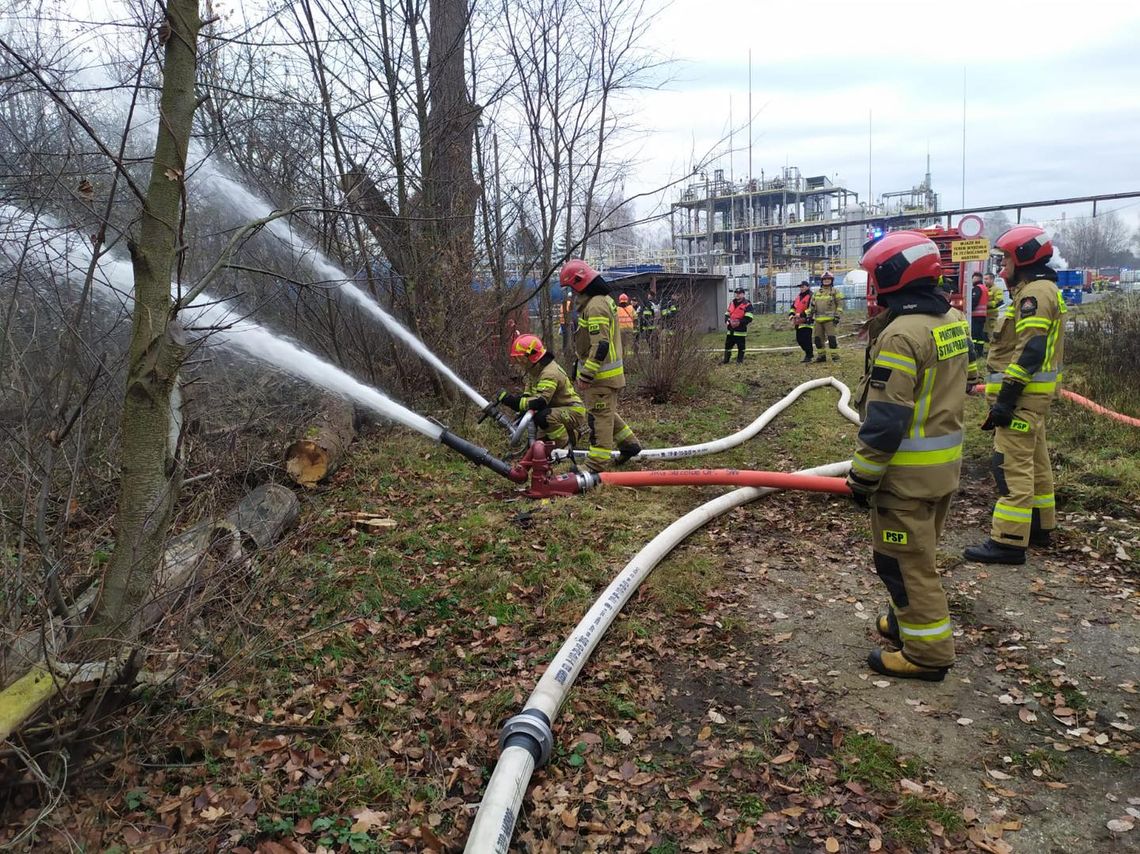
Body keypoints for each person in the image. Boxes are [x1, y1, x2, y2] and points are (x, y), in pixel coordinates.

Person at [847, 231, 975, 681]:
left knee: (902, 565)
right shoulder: (951, 321)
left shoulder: (902, 335)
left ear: (891, 276)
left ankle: (927, 654)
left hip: (903, 480)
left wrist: (862, 478)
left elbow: (885, 421)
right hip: (941, 473)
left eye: (876, 277)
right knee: (919, 554)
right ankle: (906, 624)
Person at [965, 226, 1065, 565]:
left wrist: (1006, 397)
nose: (1001, 266)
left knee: (1010, 466)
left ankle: (1008, 540)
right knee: (1036, 463)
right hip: (1032, 400)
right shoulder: (1040, 289)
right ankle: (1038, 525)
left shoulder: (1033, 295)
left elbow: (1030, 350)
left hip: (1021, 400)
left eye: (1005, 258)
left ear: (1022, 257)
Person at [559, 259, 641, 470]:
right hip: (604, 376)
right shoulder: (600, 301)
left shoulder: (595, 306)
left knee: (599, 416)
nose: (572, 293)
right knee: (605, 412)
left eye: (571, 287)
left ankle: (596, 464)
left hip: (601, 377)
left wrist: (586, 375)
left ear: (579, 282)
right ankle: (629, 444)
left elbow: (601, 345)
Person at [498, 333, 587, 450]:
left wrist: (511, 401)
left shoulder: (549, 372)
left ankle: (566, 445)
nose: (519, 362)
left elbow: (540, 401)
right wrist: (521, 408)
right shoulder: (534, 370)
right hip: (556, 409)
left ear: (531, 355)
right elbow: (528, 393)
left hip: (573, 410)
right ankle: (565, 438)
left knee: (544, 417)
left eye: (521, 358)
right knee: (540, 447)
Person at [810, 271, 843, 362]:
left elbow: (840, 305)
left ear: (831, 280)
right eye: (824, 279)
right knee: (817, 339)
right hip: (818, 320)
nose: (826, 281)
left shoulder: (835, 292)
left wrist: (837, 316)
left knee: (832, 339)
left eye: (828, 279)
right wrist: (809, 315)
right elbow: (812, 306)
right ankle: (821, 356)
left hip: (830, 320)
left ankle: (835, 356)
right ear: (821, 280)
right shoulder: (817, 292)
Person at [723, 286, 753, 363]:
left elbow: (749, 317)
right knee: (727, 346)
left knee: (741, 347)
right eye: (736, 293)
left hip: (740, 330)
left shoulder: (747, 304)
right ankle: (726, 360)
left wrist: (739, 322)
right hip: (730, 330)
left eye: (739, 293)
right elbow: (727, 313)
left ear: (743, 294)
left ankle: (739, 361)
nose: (737, 295)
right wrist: (726, 320)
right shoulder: (732, 303)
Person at [788, 280, 814, 363]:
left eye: (803, 287)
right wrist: (791, 314)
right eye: (800, 287)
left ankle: (809, 355)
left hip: (807, 321)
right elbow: (793, 307)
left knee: (806, 339)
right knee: (799, 340)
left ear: (807, 287)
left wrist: (802, 314)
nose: (801, 288)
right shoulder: (798, 297)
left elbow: (812, 309)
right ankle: (808, 353)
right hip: (798, 321)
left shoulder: (811, 296)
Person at [969, 271, 989, 357]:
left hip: (976, 315)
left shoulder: (977, 288)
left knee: (974, 335)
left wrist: (969, 309)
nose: (972, 280)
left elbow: (974, 301)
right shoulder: (984, 288)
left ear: (976, 278)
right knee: (980, 335)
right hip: (982, 315)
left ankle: (974, 352)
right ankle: (980, 351)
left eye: (973, 278)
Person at [983, 272, 1004, 341]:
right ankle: (985, 350)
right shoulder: (983, 289)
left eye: (986, 279)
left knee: (991, 334)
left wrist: (986, 304)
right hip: (984, 315)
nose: (985, 280)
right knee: (984, 334)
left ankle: (989, 350)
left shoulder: (997, 289)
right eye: (984, 279)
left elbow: (999, 301)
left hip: (991, 316)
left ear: (992, 279)